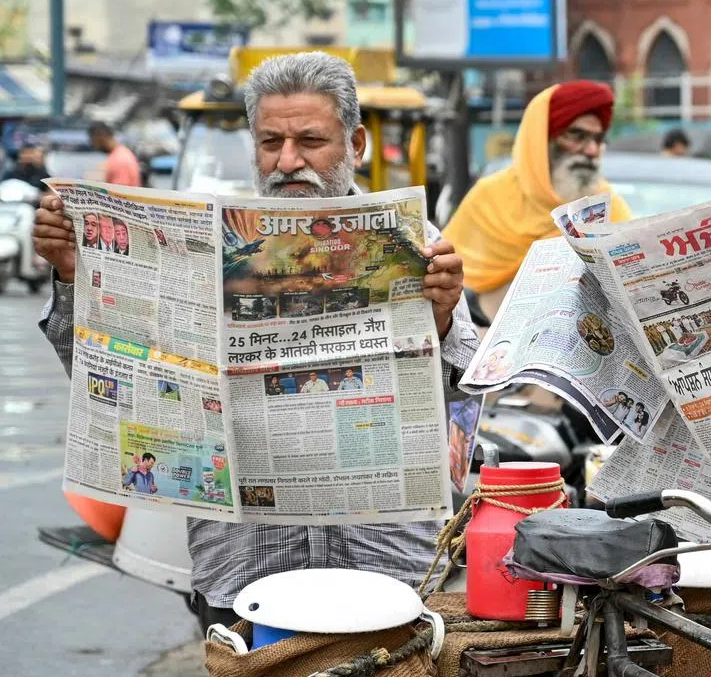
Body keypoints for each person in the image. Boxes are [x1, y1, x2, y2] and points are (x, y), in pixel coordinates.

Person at [33, 51, 478, 636]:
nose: (288, 161)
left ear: (356, 144)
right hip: (244, 569)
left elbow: (466, 404)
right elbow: (104, 387)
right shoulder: (196, 248)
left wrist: (442, 321)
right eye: (270, 142)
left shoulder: (416, 246)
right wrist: (72, 275)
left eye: (310, 141)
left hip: (385, 563)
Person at [444, 80, 633, 317]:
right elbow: (449, 288)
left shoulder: (607, 205)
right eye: (577, 135)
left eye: (598, 139)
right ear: (542, 140)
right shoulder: (489, 197)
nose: (591, 151)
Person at [87, 122, 142, 187]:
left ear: (100, 136)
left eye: (92, 140)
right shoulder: (121, 153)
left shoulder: (119, 160)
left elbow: (119, 194)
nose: (93, 144)